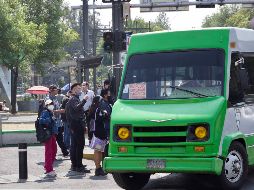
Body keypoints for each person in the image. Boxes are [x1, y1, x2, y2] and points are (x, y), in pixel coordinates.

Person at [65, 83, 90, 173]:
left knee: (75, 145)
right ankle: (78, 166)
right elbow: (77, 108)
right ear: (74, 90)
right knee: (79, 145)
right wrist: (84, 100)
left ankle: (76, 164)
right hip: (76, 125)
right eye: (79, 88)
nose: (81, 90)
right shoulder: (73, 99)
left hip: (75, 125)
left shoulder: (73, 99)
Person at [91, 89, 112, 176]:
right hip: (100, 133)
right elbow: (105, 116)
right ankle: (97, 168)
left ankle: (100, 168)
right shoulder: (102, 105)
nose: (110, 94)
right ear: (105, 95)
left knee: (100, 150)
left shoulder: (105, 103)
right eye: (109, 93)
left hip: (102, 132)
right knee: (98, 150)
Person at [45, 85, 69, 157]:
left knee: (59, 138)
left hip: (58, 123)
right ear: (52, 90)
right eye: (56, 90)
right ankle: (53, 155)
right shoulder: (48, 99)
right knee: (54, 140)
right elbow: (50, 111)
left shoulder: (55, 98)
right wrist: (61, 111)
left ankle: (65, 152)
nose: (57, 91)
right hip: (53, 123)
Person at [39, 99, 58, 177]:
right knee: (49, 151)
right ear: (46, 106)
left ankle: (48, 167)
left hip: (52, 134)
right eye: (50, 104)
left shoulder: (51, 112)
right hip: (48, 134)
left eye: (52, 104)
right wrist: (50, 119)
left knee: (54, 150)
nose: (52, 105)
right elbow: (41, 120)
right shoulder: (45, 112)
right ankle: (49, 169)